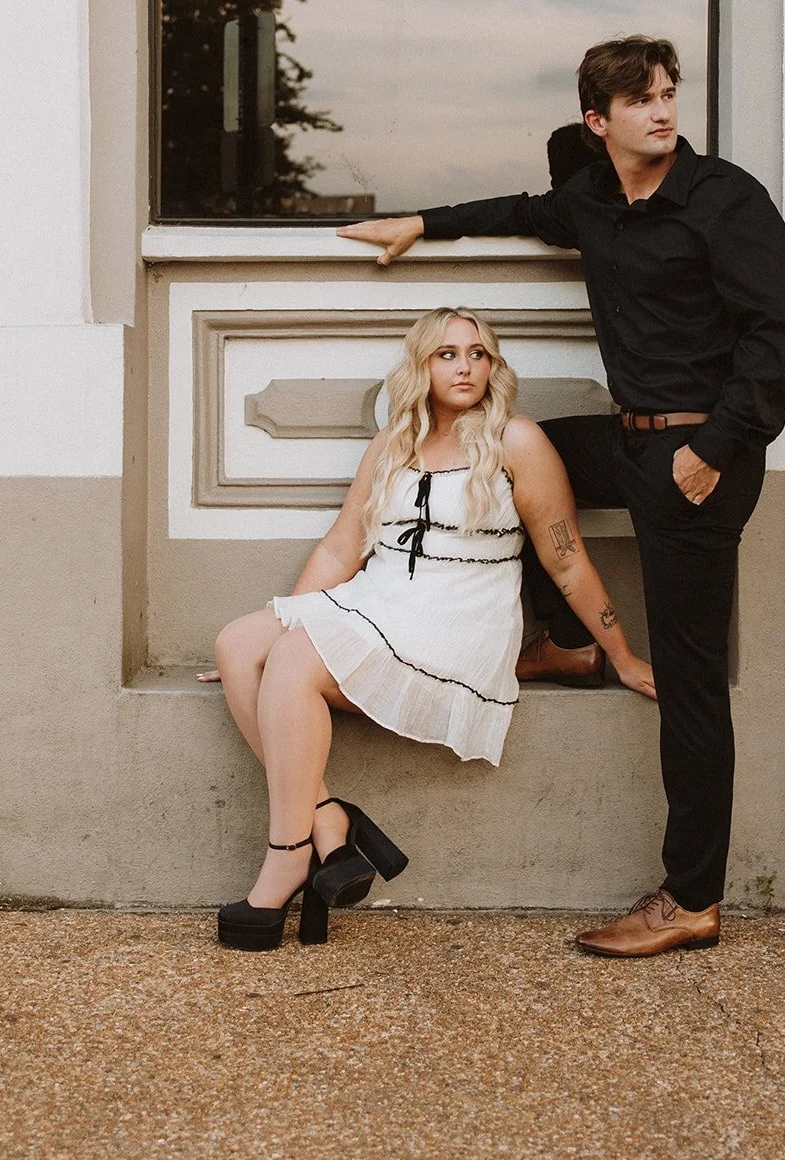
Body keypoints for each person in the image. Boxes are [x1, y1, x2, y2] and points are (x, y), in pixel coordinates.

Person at [338, 36, 785, 957]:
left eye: (667, 95)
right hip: (629, 438)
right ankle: (556, 640)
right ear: (598, 122)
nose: (662, 112)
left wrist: (712, 449)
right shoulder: (592, 198)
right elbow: (515, 206)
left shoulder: (725, 199)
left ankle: (691, 898)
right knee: (518, 452)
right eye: (639, 101)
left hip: (698, 456)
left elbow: (775, 335)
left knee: (690, 680)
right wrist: (418, 223)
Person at [201, 306, 656, 951]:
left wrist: (623, 655)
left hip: (458, 621)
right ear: (421, 366)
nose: (465, 367)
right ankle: (328, 821)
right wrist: (285, 627)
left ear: (493, 367)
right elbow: (340, 548)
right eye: (447, 354)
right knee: (237, 645)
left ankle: (286, 857)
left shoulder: (517, 441)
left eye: (478, 353)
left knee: (294, 662)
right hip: (381, 600)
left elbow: (566, 558)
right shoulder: (394, 442)